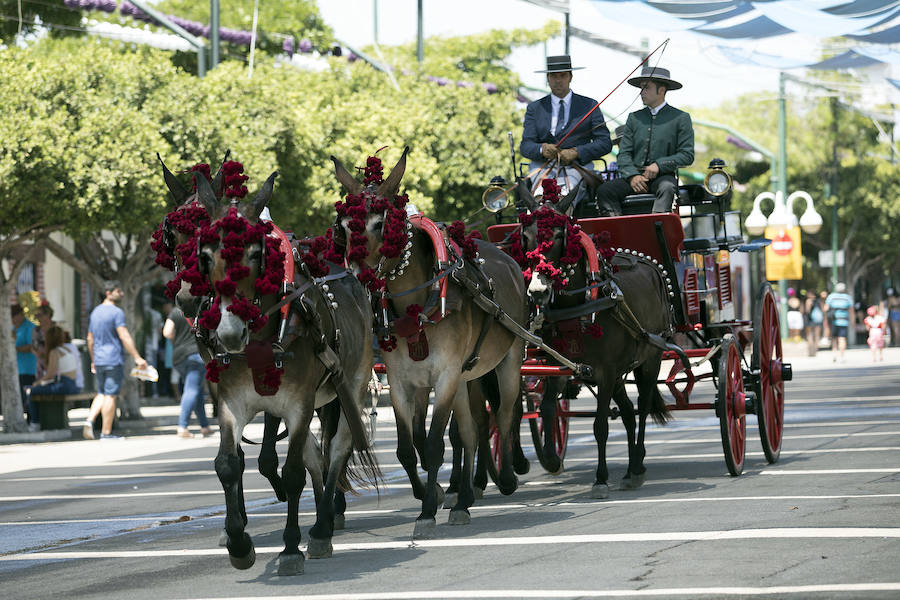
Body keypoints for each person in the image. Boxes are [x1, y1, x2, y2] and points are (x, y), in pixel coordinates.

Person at [594, 65, 694, 215]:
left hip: (663, 177)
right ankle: (617, 234)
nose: (642, 92)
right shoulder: (634, 118)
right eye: (641, 88)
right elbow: (624, 154)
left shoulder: (681, 118)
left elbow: (687, 155)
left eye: (646, 88)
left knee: (667, 187)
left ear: (661, 90)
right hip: (634, 177)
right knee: (604, 191)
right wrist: (632, 176)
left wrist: (659, 165)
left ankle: (657, 230)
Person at [520, 54, 612, 213]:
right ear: (548, 79)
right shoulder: (535, 108)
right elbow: (526, 146)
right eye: (553, 76)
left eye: (563, 75)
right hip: (542, 168)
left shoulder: (589, 105)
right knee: (539, 202)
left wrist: (577, 152)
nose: (558, 80)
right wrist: (542, 149)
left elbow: (604, 143)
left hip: (577, 167)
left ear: (570, 77)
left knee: (563, 201)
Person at [83, 281, 147, 440]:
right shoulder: (116, 312)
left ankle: (90, 421)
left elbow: (89, 339)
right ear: (108, 293)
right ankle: (106, 432)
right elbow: (124, 335)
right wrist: (137, 357)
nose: (122, 294)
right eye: (118, 291)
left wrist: (92, 359)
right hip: (113, 359)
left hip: (98, 359)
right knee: (111, 396)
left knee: (102, 393)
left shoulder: (95, 312)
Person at [163, 304, 211, 438]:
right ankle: (182, 427)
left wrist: (177, 341)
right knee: (192, 390)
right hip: (196, 354)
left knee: (197, 389)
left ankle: (204, 426)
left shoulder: (176, 312)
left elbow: (167, 332)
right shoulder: (201, 311)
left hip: (179, 356)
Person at [25, 326, 82, 430]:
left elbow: (50, 374)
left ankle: (35, 422)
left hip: (64, 384)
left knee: (32, 391)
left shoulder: (54, 352)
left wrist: (37, 383)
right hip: (73, 384)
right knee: (37, 389)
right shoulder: (67, 349)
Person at [11, 304, 37, 427]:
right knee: (18, 398)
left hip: (28, 368)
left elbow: (31, 346)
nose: (12, 319)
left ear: (21, 315)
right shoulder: (12, 328)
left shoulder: (30, 327)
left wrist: (13, 349)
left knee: (27, 396)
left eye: (14, 316)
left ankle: (31, 420)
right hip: (15, 369)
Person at [825, 282, 854, 363]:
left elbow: (826, 308)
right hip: (843, 321)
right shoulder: (847, 298)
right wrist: (853, 321)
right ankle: (842, 355)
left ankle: (834, 354)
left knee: (834, 338)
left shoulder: (831, 297)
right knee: (842, 338)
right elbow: (851, 311)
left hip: (833, 321)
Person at [32, 301, 55, 382]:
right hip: (41, 363)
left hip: (55, 362)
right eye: (36, 316)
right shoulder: (36, 330)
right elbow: (34, 347)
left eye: (40, 315)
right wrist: (38, 355)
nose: (38, 318)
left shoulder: (56, 328)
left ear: (48, 315)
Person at [805, 290, 824, 357]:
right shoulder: (819, 301)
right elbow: (823, 310)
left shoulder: (808, 301)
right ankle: (816, 348)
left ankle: (811, 349)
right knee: (817, 335)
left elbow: (807, 310)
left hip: (810, 319)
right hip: (818, 320)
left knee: (809, 335)